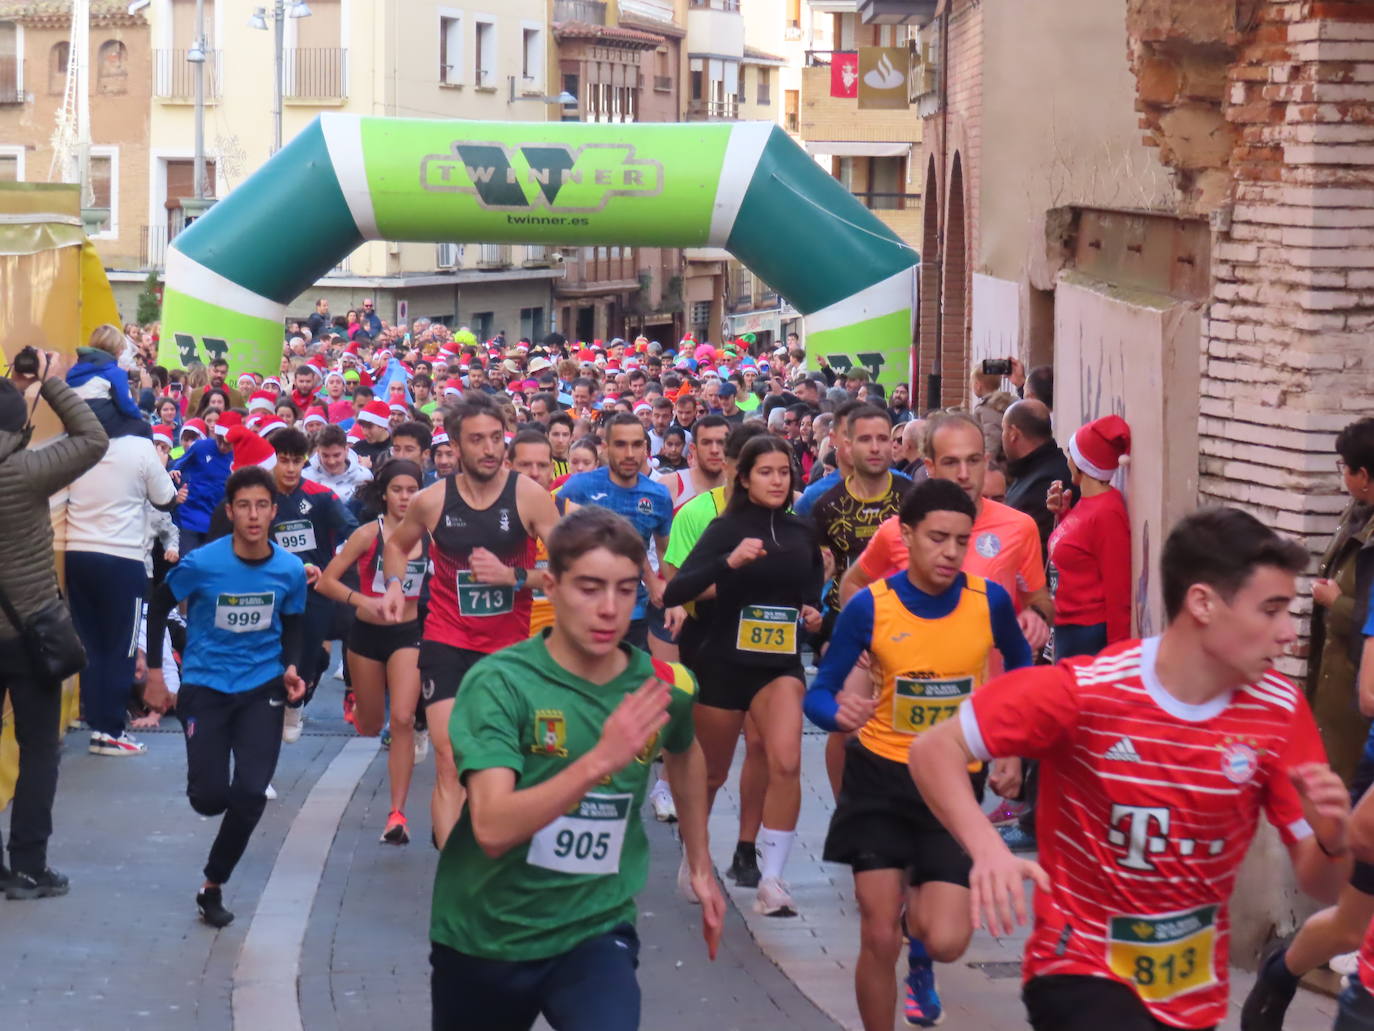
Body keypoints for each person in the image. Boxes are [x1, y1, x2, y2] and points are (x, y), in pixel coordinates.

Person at [909, 507, 1353, 1031]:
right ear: (1203, 603)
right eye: (1271, 610)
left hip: (1190, 990)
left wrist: (1332, 839)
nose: (1288, 633)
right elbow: (933, 750)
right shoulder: (1091, 690)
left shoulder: (1279, 711)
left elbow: (1325, 886)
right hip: (1078, 967)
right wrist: (986, 849)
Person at [430, 506, 724, 1030]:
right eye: (589, 588)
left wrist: (699, 865)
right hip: (485, 933)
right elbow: (493, 828)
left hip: (594, 927)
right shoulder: (500, 683)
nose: (609, 609)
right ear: (551, 585)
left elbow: (685, 753)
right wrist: (600, 761)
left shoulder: (665, 686)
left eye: (626, 589)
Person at [805, 478, 1031, 1028]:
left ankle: (921, 943)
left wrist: (1011, 747)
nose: (951, 552)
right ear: (906, 536)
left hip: (952, 786)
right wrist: (838, 715)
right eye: (936, 539)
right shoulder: (870, 609)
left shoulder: (988, 602)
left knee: (948, 939)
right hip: (879, 779)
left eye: (961, 540)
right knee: (878, 934)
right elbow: (818, 691)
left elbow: (1025, 674)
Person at [380, 394, 561, 849]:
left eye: (496, 439)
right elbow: (396, 547)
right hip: (447, 638)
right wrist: (397, 585)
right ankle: (454, 870)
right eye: (476, 440)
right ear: (456, 447)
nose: (488, 449)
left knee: (499, 760)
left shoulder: (529, 496)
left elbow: (570, 571)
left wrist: (515, 577)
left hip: (509, 647)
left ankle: (490, 838)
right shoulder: (432, 500)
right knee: (449, 755)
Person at [1241, 418, 1374, 1030]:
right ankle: (1284, 971)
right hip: (1351, 716)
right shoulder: (1362, 530)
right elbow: (1370, 693)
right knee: (1351, 918)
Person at [663, 435, 824, 917]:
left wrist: (814, 614)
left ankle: (772, 879)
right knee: (710, 773)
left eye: (784, 472)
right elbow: (677, 590)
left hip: (778, 666)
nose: (777, 481)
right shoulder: (724, 527)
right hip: (722, 661)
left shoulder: (802, 531)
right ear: (745, 477)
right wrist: (727, 563)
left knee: (787, 762)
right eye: (766, 472)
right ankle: (695, 861)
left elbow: (812, 592)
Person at [143, 466, 309, 928]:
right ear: (230, 511)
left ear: (274, 512)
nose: (253, 515)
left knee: (252, 793)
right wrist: (157, 675)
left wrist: (292, 667)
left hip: (262, 687)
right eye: (244, 506)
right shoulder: (203, 564)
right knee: (211, 798)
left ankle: (212, 884)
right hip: (206, 687)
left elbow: (294, 623)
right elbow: (157, 606)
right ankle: (207, 786)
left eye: (262, 506)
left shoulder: (290, 569)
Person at [0, 352, 108, 899]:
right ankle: (28, 866)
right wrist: (51, 384)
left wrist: (17, 391)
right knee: (39, 746)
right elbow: (92, 439)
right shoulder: (25, 471)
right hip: (30, 635)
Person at [65, 373, 181, 757]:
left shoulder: (73, 443)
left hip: (77, 554)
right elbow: (165, 498)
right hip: (123, 558)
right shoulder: (139, 445)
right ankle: (110, 729)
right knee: (121, 647)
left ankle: (98, 722)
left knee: (91, 645)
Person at [316, 460, 428, 844]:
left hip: (408, 635)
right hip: (365, 635)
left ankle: (397, 814)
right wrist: (362, 600)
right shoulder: (368, 534)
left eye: (412, 489)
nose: (404, 497)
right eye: (397, 489)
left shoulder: (432, 537)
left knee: (402, 719)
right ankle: (357, 700)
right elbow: (327, 582)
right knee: (369, 724)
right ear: (384, 493)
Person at [558, 414, 673, 651]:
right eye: (620, 444)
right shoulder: (578, 487)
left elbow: (664, 550)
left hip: (634, 613)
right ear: (606, 447)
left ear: (645, 447)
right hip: (583, 613)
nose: (629, 454)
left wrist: (674, 599)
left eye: (636, 444)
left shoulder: (658, 495)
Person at [1046, 415, 1133, 660]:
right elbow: (1078, 550)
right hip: (1068, 627)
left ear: (1083, 464)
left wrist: (1118, 655)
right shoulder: (1085, 503)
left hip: (1087, 634)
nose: (1068, 459)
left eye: (1072, 453)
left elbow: (1118, 588)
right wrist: (1062, 514)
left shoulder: (1107, 512)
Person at [1002, 398, 1070, 559]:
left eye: (1003, 429)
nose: (1001, 436)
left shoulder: (1046, 482)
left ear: (1013, 433)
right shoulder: (1034, 470)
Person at [304, 423, 373, 504]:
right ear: (318, 452)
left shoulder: (364, 476)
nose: (331, 461)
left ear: (346, 450)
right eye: (325, 456)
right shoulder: (305, 477)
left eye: (336, 455)